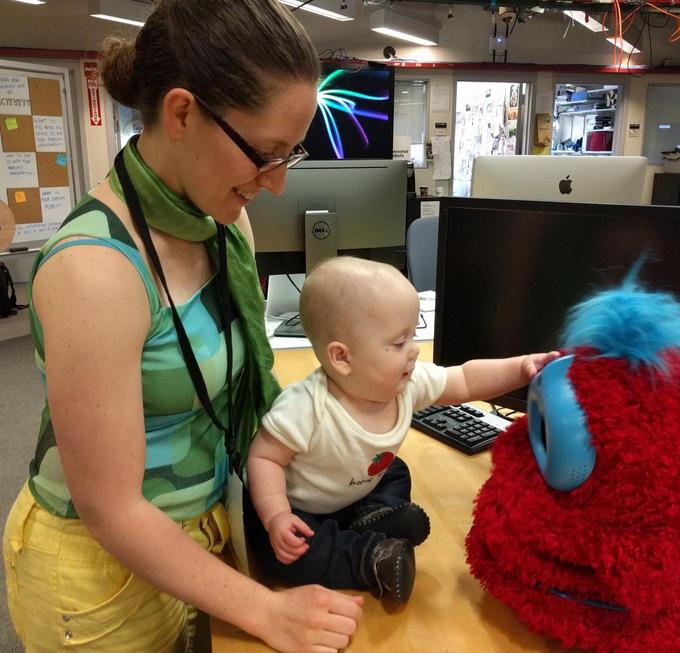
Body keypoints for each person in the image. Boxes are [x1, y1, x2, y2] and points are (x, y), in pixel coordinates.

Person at [1, 2, 364, 652]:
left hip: (201, 533)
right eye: (264, 153)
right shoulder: (95, 269)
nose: (278, 184)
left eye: (293, 153)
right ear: (182, 113)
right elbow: (111, 507)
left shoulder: (222, 220)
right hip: (99, 576)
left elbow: (235, 388)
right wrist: (269, 612)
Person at [244, 257, 559, 603]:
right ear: (342, 358)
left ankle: (372, 516)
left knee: (394, 469)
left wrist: (521, 367)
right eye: (399, 343)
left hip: (356, 488)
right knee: (288, 555)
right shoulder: (306, 406)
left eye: (412, 336)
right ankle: (370, 559)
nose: (414, 351)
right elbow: (263, 458)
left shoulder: (407, 384)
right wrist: (276, 515)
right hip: (301, 509)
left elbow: (465, 379)